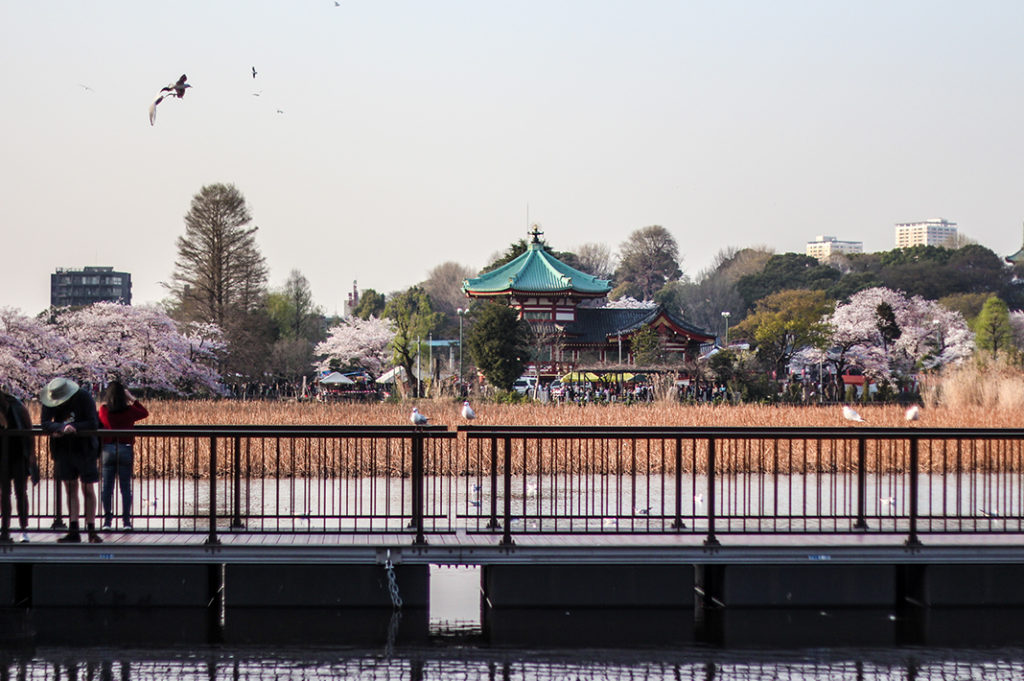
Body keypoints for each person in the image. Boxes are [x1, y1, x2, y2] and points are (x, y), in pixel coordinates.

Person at [39, 378, 102, 543]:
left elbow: (93, 422)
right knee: (70, 488)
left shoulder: (84, 397)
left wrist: (75, 428)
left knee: (88, 488)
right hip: (62, 448)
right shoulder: (50, 398)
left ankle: (91, 529)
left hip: (85, 448)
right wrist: (59, 428)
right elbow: (45, 423)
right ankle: (73, 529)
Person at [97, 380, 148, 530]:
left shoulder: (104, 410)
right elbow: (145, 413)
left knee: (107, 487)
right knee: (125, 487)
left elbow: (100, 421)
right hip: (125, 448)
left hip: (108, 449)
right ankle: (126, 521)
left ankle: (107, 521)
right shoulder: (130, 411)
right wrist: (132, 398)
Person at [0, 391, 36, 543]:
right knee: (5, 494)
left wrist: (31, 457)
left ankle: (23, 529)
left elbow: (28, 432)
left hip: (18, 455)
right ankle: (5, 530)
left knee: (20, 493)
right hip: (2, 458)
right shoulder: (16, 406)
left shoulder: (16, 407)